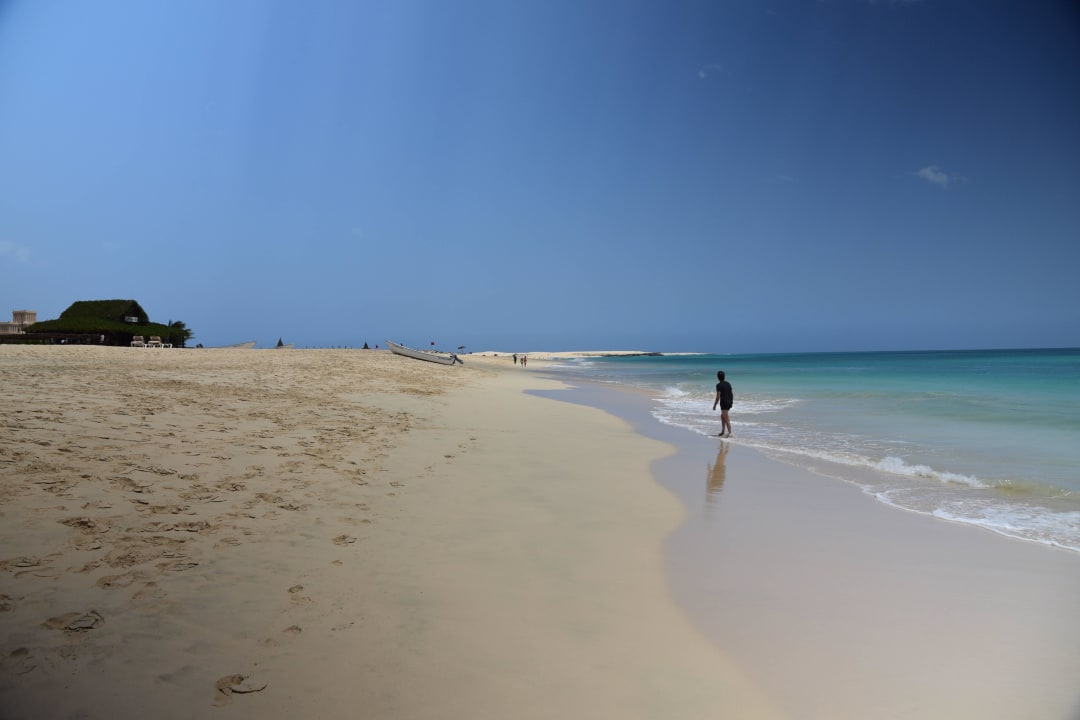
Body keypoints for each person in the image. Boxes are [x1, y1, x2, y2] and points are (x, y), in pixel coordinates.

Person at [712, 370, 734, 437]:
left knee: (726, 418)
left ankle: (730, 433)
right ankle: (723, 431)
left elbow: (718, 396)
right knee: (722, 416)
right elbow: (731, 393)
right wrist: (731, 401)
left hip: (724, 402)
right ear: (724, 377)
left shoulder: (718, 385)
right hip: (729, 402)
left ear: (718, 377)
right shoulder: (728, 383)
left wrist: (715, 405)